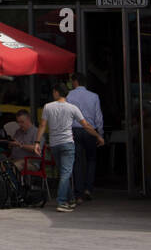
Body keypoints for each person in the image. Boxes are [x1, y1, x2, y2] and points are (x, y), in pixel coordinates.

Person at [35, 84, 105, 212]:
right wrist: (98, 136)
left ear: (56, 92)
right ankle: (62, 201)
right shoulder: (73, 108)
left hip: (54, 144)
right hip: (67, 143)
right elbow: (86, 125)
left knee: (63, 173)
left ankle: (71, 199)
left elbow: (42, 125)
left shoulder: (48, 107)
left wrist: (37, 142)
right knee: (66, 173)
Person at [66, 71, 104, 202]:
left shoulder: (69, 96)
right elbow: (98, 117)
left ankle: (78, 194)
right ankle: (88, 188)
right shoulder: (94, 96)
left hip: (74, 130)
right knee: (91, 159)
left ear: (75, 82)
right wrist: (100, 134)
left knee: (76, 161)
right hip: (89, 130)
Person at [7, 109, 40, 173]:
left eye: (22, 122)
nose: (19, 124)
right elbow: (14, 144)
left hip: (30, 162)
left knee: (14, 166)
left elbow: (36, 148)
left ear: (28, 120)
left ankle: (12, 182)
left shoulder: (37, 132)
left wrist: (20, 145)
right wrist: (11, 144)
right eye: (18, 122)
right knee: (1, 164)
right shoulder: (18, 131)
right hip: (15, 159)